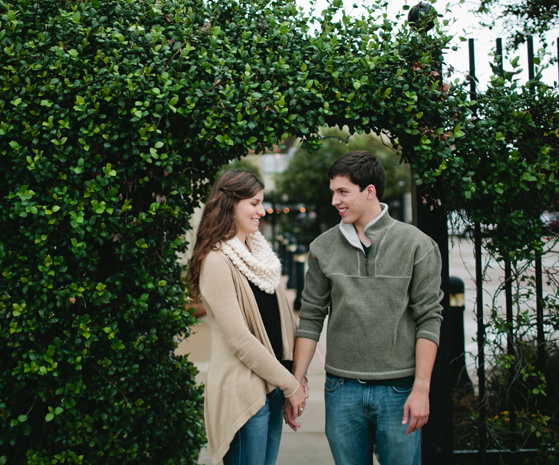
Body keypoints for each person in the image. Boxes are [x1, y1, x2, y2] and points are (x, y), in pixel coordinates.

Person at [284, 151, 443, 465]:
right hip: (342, 390)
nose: (335, 201)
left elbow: (429, 318)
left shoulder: (417, 244)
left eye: (343, 192)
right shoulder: (322, 248)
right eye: (333, 192)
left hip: (399, 389)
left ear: (369, 191)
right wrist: (296, 383)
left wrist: (422, 388)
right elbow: (312, 316)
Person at [188, 170, 307, 465]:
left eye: (261, 203)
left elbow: (282, 324)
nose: (261, 211)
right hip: (245, 395)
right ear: (231, 204)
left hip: (275, 387)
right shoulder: (216, 261)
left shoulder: (259, 255)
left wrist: (292, 380)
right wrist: (290, 385)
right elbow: (241, 340)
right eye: (254, 203)